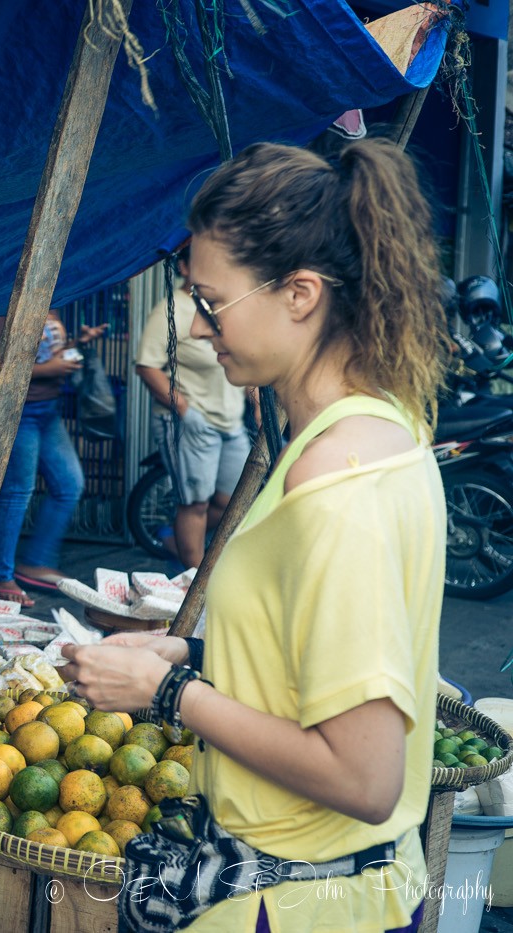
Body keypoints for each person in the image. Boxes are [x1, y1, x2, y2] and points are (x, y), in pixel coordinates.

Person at [61, 139, 446, 932]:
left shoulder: (336, 489)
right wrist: (193, 656)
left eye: (212, 302)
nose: (200, 331)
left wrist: (169, 693)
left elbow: (366, 773)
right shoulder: (377, 427)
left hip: (306, 905)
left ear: (301, 293)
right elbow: (323, 665)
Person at [0, 311, 107, 607]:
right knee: (17, 492)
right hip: (14, 409)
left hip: (47, 409)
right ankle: (1, 578)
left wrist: (77, 343)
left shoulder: (52, 300)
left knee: (69, 484)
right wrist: (49, 369)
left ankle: (35, 563)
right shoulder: (0, 304)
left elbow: (45, 352)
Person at [134, 245, 249, 570]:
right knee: (195, 503)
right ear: (183, 267)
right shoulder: (171, 309)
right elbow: (146, 366)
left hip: (230, 421)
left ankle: (175, 541)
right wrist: (185, 411)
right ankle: (194, 583)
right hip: (192, 420)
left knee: (231, 500)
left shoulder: (220, 305)